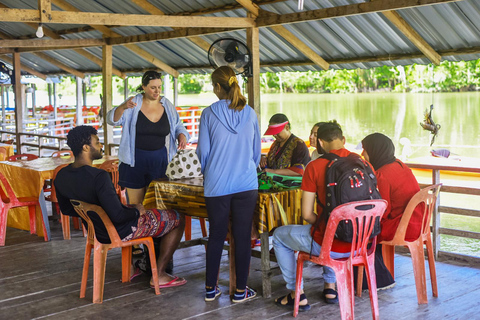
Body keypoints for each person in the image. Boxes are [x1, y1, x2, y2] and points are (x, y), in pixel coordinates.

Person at [54, 126, 187, 289]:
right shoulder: (99, 177)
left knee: (139, 210)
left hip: (96, 232)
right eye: (97, 142)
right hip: (119, 231)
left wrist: (94, 212)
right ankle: (159, 274)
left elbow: (66, 209)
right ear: (86, 147)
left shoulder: (61, 175)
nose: (101, 145)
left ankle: (131, 268)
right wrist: (137, 211)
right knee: (178, 218)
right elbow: (118, 216)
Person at [107, 70, 189, 257]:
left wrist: (182, 135)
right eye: (152, 87)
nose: (156, 91)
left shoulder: (166, 104)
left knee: (156, 203)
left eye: (159, 87)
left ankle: (153, 241)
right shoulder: (133, 103)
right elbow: (111, 119)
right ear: (143, 87)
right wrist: (122, 106)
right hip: (134, 161)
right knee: (136, 204)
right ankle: (135, 244)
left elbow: (178, 125)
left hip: (160, 161)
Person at [196, 66, 261, 303]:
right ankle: (240, 291)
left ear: (216, 87)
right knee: (242, 237)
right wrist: (245, 168)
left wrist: (211, 171)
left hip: (217, 185)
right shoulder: (251, 114)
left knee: (216, 235)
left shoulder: (208, 114)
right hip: (246, 184)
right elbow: (256, 154)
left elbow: (203, 152)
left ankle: (211, 290)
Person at [272, 120, 351, 312]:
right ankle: (330, 288)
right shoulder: (362, 162)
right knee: (333, 231)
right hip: (360, 246)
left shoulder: (315, 166)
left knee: (279, 236)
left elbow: (307, 214)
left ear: (321, 143)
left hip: (331, 245)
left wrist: (329, 225)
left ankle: (295, 293)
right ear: (343, 139)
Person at [357, 132, 424, 290]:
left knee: (361, 232)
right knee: (369, 227)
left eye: (365, 149)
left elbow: (382, 212)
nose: (362, 154)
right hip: (417, 221)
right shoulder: (399, 164)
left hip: (402, 227)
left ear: (375, 151)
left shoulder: (382, 175)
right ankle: (377, 274)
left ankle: (378, 279)